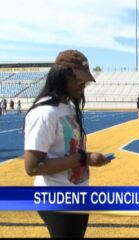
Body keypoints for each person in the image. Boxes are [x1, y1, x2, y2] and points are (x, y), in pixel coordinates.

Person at [23, 50, 111, 238]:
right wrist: (83, 158)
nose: (84, 83)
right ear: (62, 76)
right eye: (79, 79)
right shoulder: (45, 113)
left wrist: (86, 160)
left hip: (77, 193)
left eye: (85, 79)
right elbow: (32, 167)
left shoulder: (68, 107)